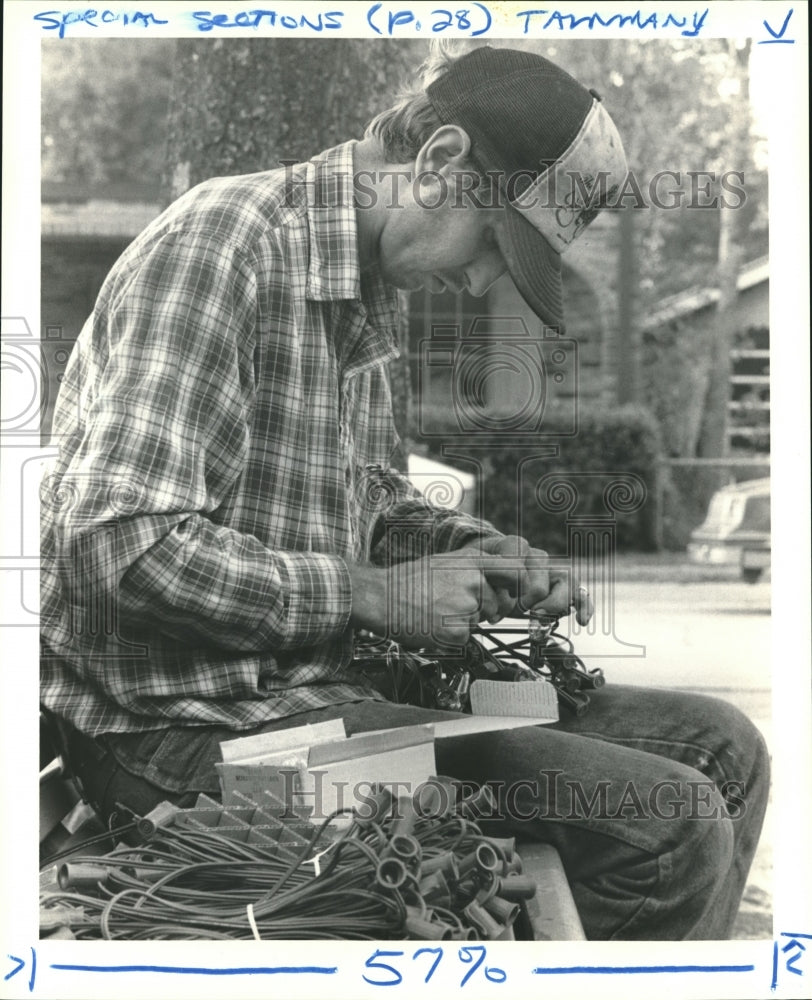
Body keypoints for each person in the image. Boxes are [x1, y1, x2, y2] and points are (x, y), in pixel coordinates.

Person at [40, 45, 768, 940]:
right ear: (440, 163)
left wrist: (468, 551)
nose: (483, 280)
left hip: (322, 696)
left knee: (727, 752)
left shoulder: (369, 290)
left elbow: (367, 503)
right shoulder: (223, 246)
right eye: (497, 243)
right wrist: (374, 595)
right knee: (671, 821)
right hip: (185, 733)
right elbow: (111, 541)